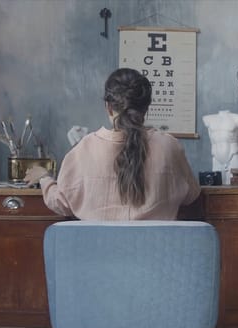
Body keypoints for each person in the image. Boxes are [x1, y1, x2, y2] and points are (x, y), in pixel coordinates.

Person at [24, 68, 200, 220]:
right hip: (156, 257)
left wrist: (44, 178)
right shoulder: (169, 146)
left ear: (108, 107)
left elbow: (61, 203)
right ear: (146, 108)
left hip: (98, 258)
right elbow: (191, 195)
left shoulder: (84, 149)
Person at [202, 110, 238, 185]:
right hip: (216, 157)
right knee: (217, 188)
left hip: (233, 155)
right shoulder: (208, 119)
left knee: (236, 187)